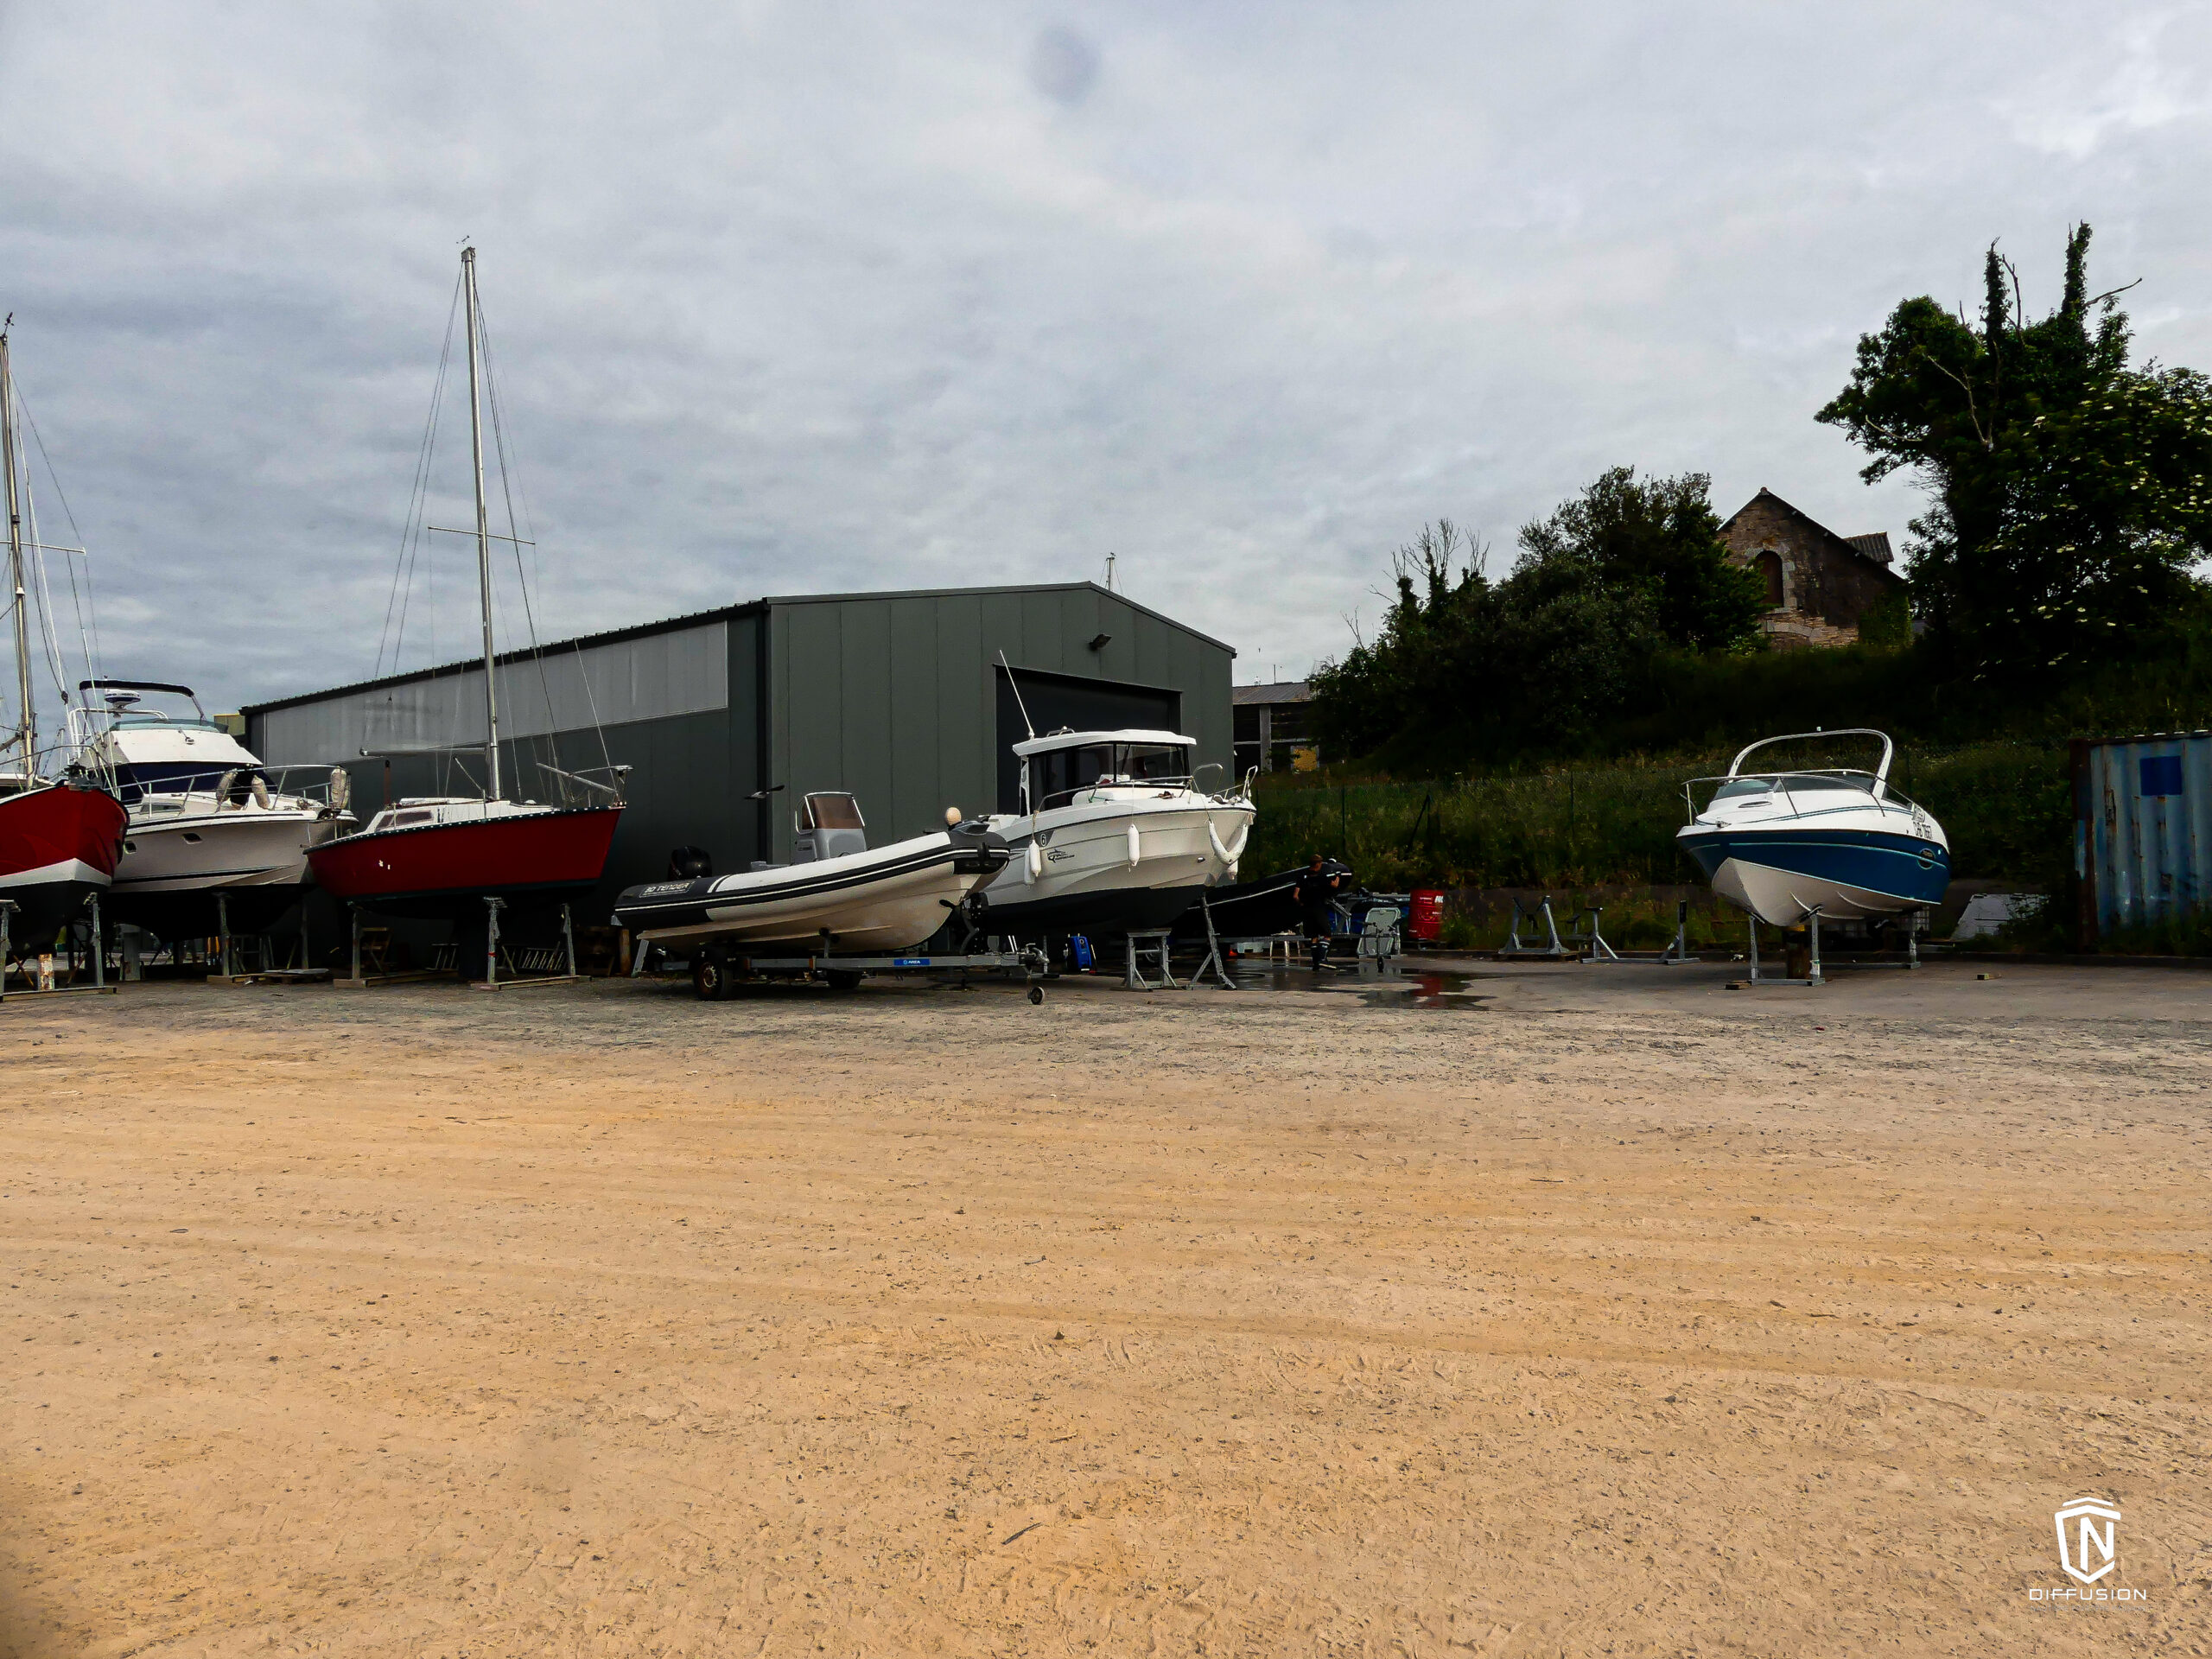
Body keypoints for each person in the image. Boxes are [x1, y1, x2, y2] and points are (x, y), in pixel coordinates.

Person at [1293, 854, 1343, 969]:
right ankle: (1321, 959)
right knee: (1327, 935)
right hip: (1318, 908)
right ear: (1319, 864)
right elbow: (1335, 885)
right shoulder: (1322, 876)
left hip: (1306, 910)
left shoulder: (1302, 876)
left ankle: (1315, 963)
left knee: (1314, 937)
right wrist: (1338, 876)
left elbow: (1295, 896)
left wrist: (1301, 903)